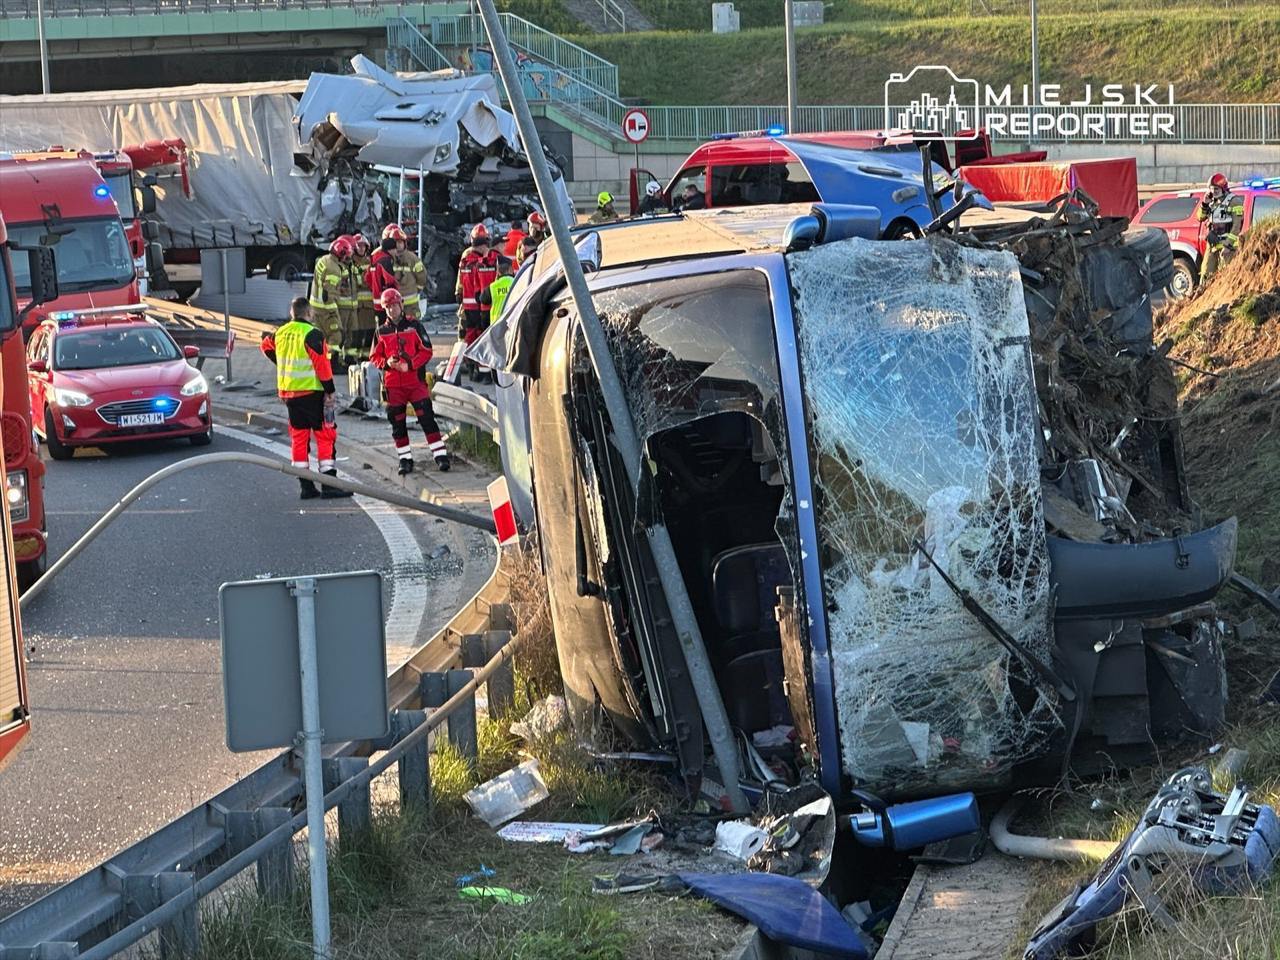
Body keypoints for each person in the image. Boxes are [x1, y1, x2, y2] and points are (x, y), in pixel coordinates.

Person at [260, 298, 353, 500]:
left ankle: (306, 486)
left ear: (292, 313)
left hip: (290, 394)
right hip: (312, 393)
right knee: (325, 435)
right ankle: (329, 485)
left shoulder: (281, 332)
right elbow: (322, 366)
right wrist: (330, 390)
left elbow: (265, 346)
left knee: (299, 438)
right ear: (309, 313)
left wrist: (282, 364)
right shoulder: (313, 334)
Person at [369, 289, 450, 474]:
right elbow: (374, 356)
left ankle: (440, 456)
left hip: (415, 383)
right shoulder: (381, 331)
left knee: (427, 418)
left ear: (401, 305)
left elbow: (427, 351)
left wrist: (410, 365)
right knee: (397, 424)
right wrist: (387, 363)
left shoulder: (414, 326)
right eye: (388, 307)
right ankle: (405, 459)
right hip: (392, 386)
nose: (391, 310)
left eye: (394, 305)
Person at [309, 236, 356, 360]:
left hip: (315, 307)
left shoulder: (324, 259)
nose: (347, 258)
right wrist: (334, 314)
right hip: (325, 310)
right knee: (336, 336)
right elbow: (329, 296)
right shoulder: (334, 270)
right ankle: (331, 362)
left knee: (321, 337)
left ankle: (319, 360)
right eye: (346, 256)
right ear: (341, 253)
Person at [455, 224, 499, 351]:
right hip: (483, 305)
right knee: (481, 337)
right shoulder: (489, 258)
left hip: (469, 306)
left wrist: (458, 292)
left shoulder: (467, 257)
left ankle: (466, 359)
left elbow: (461, 278)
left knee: (467, 337)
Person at [1197, 173, 1245, 284]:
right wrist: (1205, 204)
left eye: (1216, 189)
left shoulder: (1234, 201)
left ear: (1223, 188)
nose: (1213, 191)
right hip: (1212, 246)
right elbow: (1200, 218)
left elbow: (1237, 226)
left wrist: (1228, 245)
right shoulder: (1211, 202)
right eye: (1211, 188)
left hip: (1228, 248)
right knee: (1205, 276)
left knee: (1228, 278)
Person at [349, 233, 377, 364]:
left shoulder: (370, 262)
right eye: (358, 246)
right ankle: (351, 359)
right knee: (356, 334)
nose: (361, 248)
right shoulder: (350, 263)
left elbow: (372, 281)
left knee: (370, 333)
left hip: (369, 307)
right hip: (355, 307)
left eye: (363, 246)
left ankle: (365, 358)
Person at [368, 225, 403, 324]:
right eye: (395, 249)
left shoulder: (374, 259)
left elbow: (367, 278)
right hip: (386, 301)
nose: (396, 252)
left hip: (376, 302)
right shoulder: (386, 260)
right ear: (390, 249)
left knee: (380, 328)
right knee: (389, 327)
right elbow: (390, 280)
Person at [390, 229, 428, 320]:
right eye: (396, 242)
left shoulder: (413, 258)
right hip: (395, 305)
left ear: (405, 243)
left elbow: (422, 276)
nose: (398, 245)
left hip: (411, 304)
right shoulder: (388, 259)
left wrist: (417, 289)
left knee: (412, 326)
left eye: (400, 242)